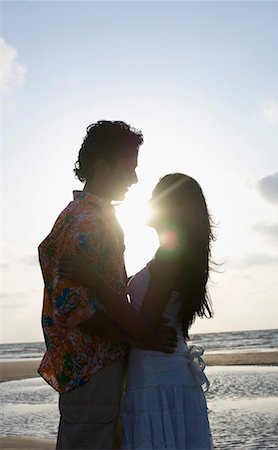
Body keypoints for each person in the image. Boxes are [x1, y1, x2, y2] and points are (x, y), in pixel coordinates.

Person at [38, 120, 177, 450]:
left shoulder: (97, 218)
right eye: (129, 168)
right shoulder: (83, 221)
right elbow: (76, 309)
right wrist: (143, 337)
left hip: (97, 367)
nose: (135, 179)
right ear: (103, 167)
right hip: (91, 368)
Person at [58, 172, 215, 449]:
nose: (150, 201)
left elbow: (144, 325)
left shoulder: (170, 253)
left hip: (158, 376)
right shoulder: (171, 253)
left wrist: (93, 280)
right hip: (163, 372)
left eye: (157, 197)